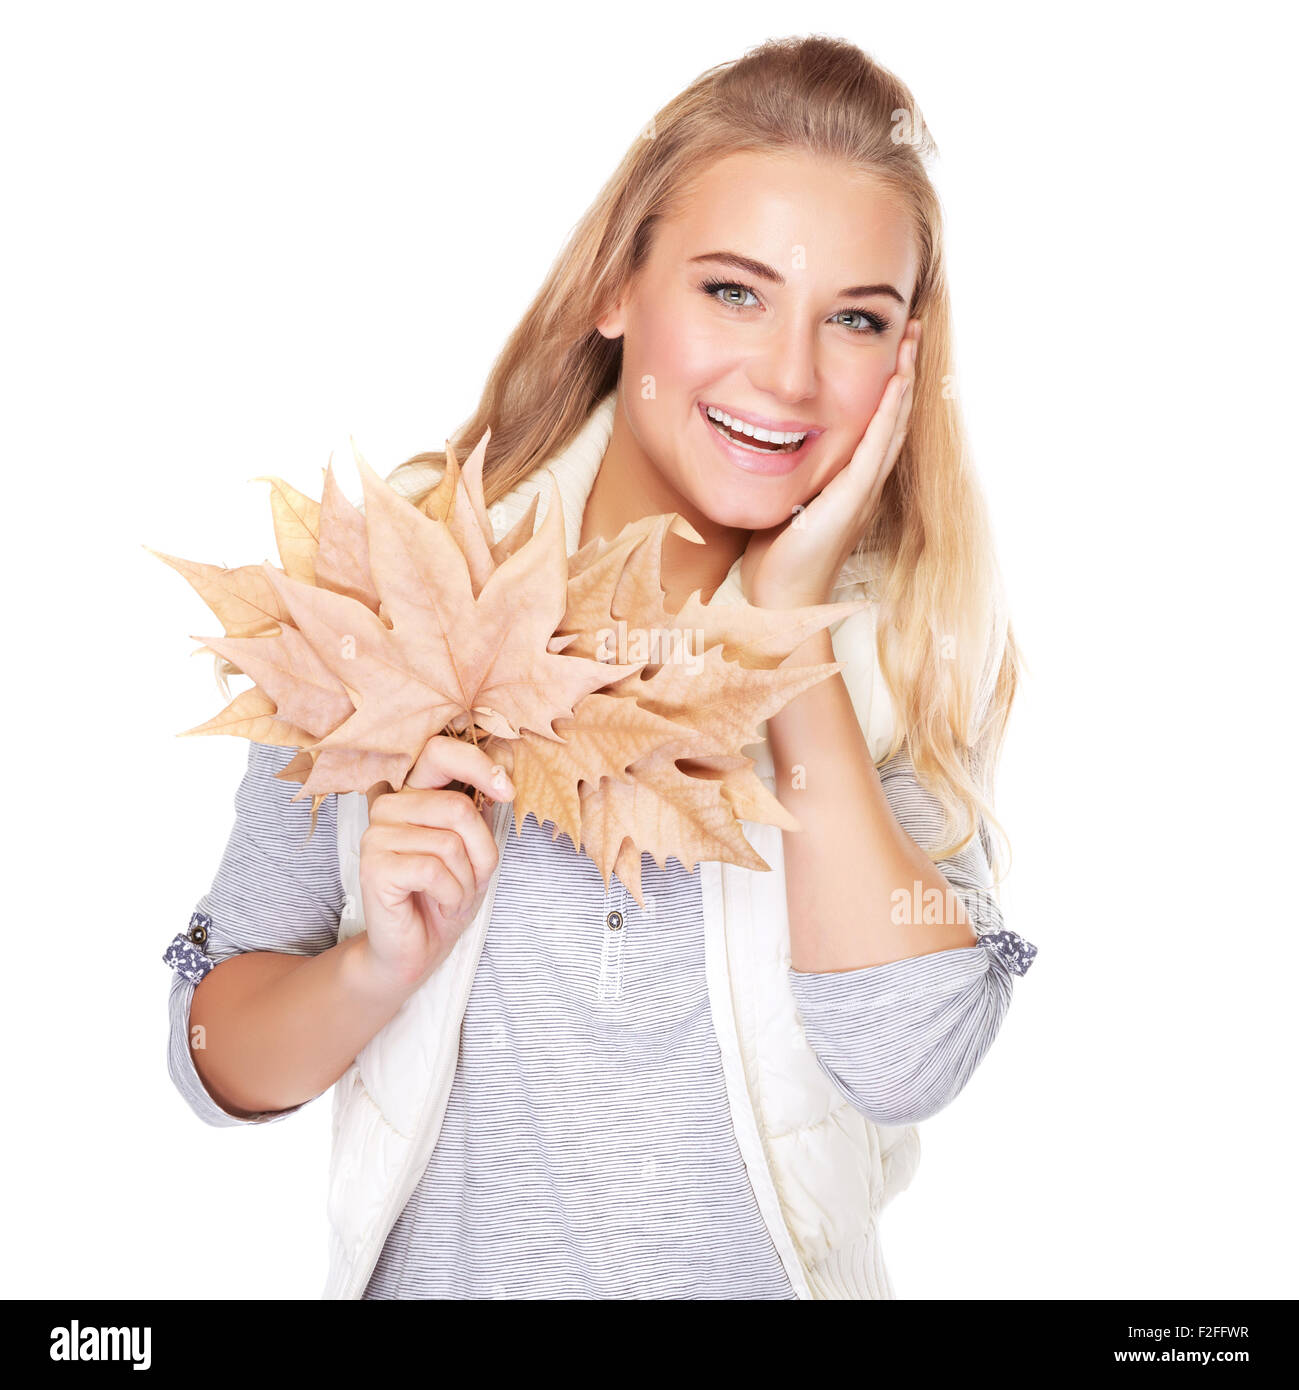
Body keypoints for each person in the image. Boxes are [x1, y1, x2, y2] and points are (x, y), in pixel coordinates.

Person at [163, 33, 1036, 1300]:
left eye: (855, 318)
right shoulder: (408, 579)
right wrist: (372, 971)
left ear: (906, 366)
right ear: (616, 288)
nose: (788, 376)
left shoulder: (902, 640)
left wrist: (791, 634)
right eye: (732, 291)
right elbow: (209, 1055)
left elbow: (907, 1058)